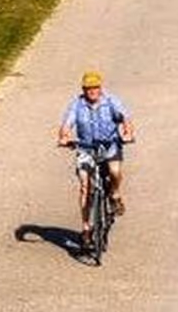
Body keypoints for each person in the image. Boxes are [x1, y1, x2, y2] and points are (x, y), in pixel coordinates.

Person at [56, 69, 135, 244]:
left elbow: (125, 118)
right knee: (85, 186)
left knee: (115, 171)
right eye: (88, 88)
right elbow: (67, 124)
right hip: (86, 148)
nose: (92, 91)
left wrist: (128, 133)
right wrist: (64, 137)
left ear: (100, 88)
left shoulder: (111, 101)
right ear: (83, 90)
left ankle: (114, 195)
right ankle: (86, 228)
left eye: (95, 87)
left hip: (110, 145)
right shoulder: (77, 105)